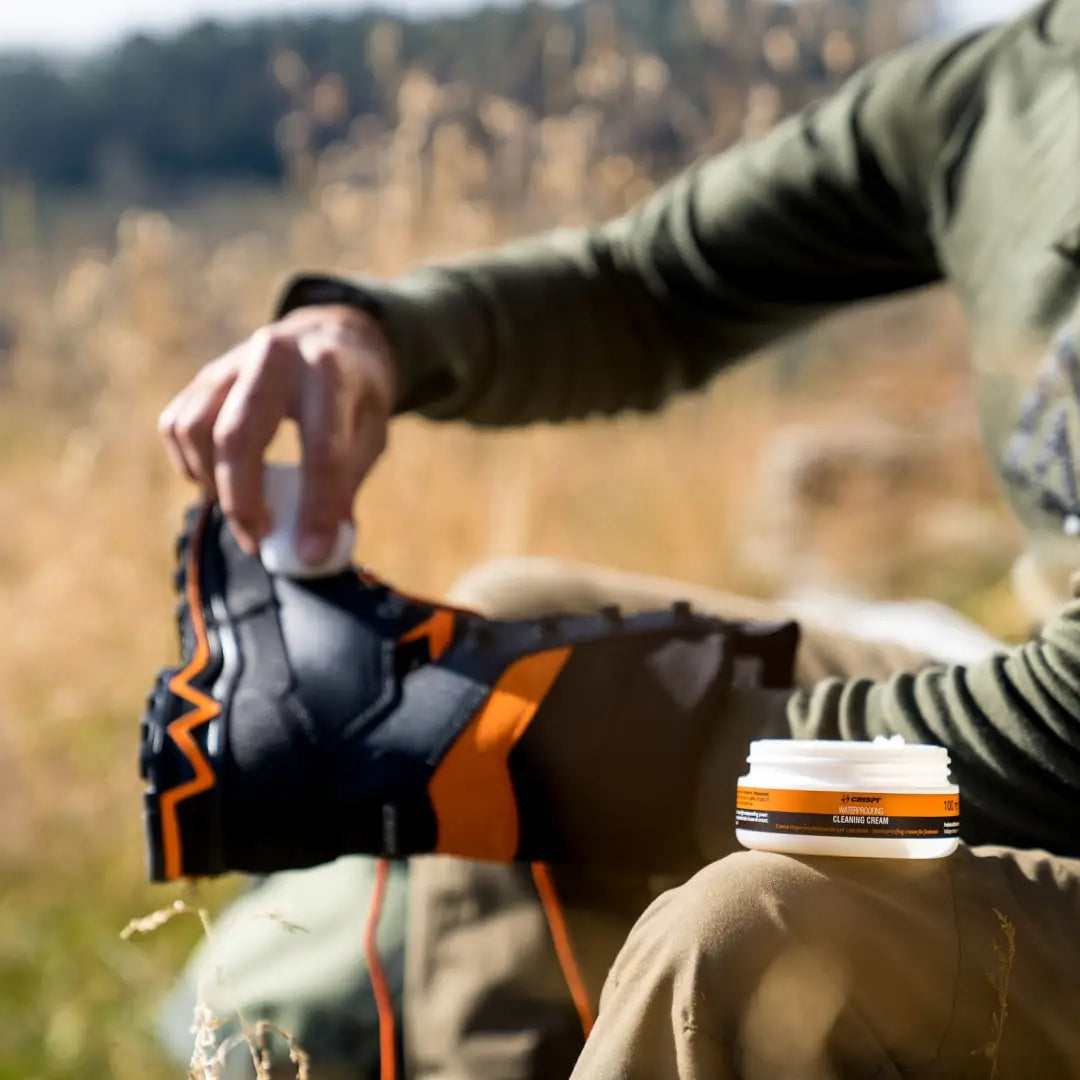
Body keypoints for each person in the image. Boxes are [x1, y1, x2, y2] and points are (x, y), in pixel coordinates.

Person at [152, 2, 1080, 1076]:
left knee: (744, 934)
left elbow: (1061, 746)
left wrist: (630, 742)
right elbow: (657, 283)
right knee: (525, 620)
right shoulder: (1008, 84)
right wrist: (379, 336)